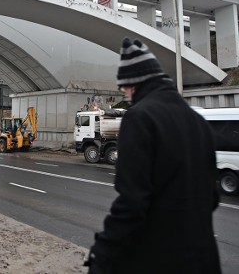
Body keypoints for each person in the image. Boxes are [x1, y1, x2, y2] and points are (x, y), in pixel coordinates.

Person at [84, 38, 221, 274]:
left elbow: (131, 203)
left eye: (124, 87)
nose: (125, 94)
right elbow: (213, 197)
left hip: (161, 260)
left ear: (134, 83)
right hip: (204, 259)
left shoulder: (139, 118)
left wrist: (102, 255)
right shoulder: (198, 121)